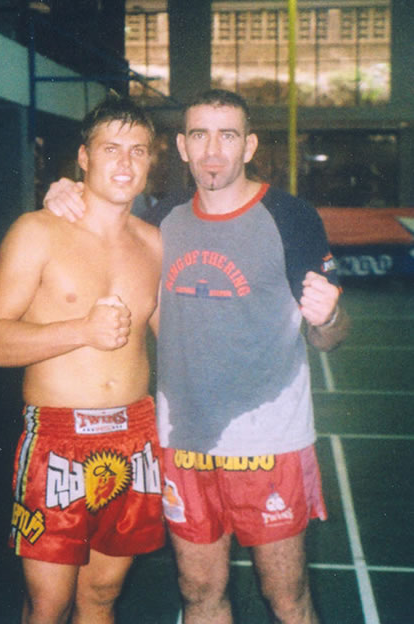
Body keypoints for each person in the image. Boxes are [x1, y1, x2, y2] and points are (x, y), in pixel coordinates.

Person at [44, 89, 349, 624]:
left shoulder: (291, 217)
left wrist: (327, 319)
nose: (212, 150)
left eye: (227, 135)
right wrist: (65, 193)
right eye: (200, 135)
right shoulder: (161, 221)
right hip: (183, 445)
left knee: (286, 596)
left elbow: (331, 337)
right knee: (199, 592)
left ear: (248, 146)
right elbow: (101, 217)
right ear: (182, 147)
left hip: (270, 444)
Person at [0, 96, 165, 624]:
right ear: (83, 157)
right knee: (49, 602)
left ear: (150, 161)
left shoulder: (155, 243)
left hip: (135, 436)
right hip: (57, 439)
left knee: (102, 595)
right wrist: (81, 330)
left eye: (138, 151)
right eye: (111, 148)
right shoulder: (37, 231)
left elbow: (179, 338)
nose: (125, 162)